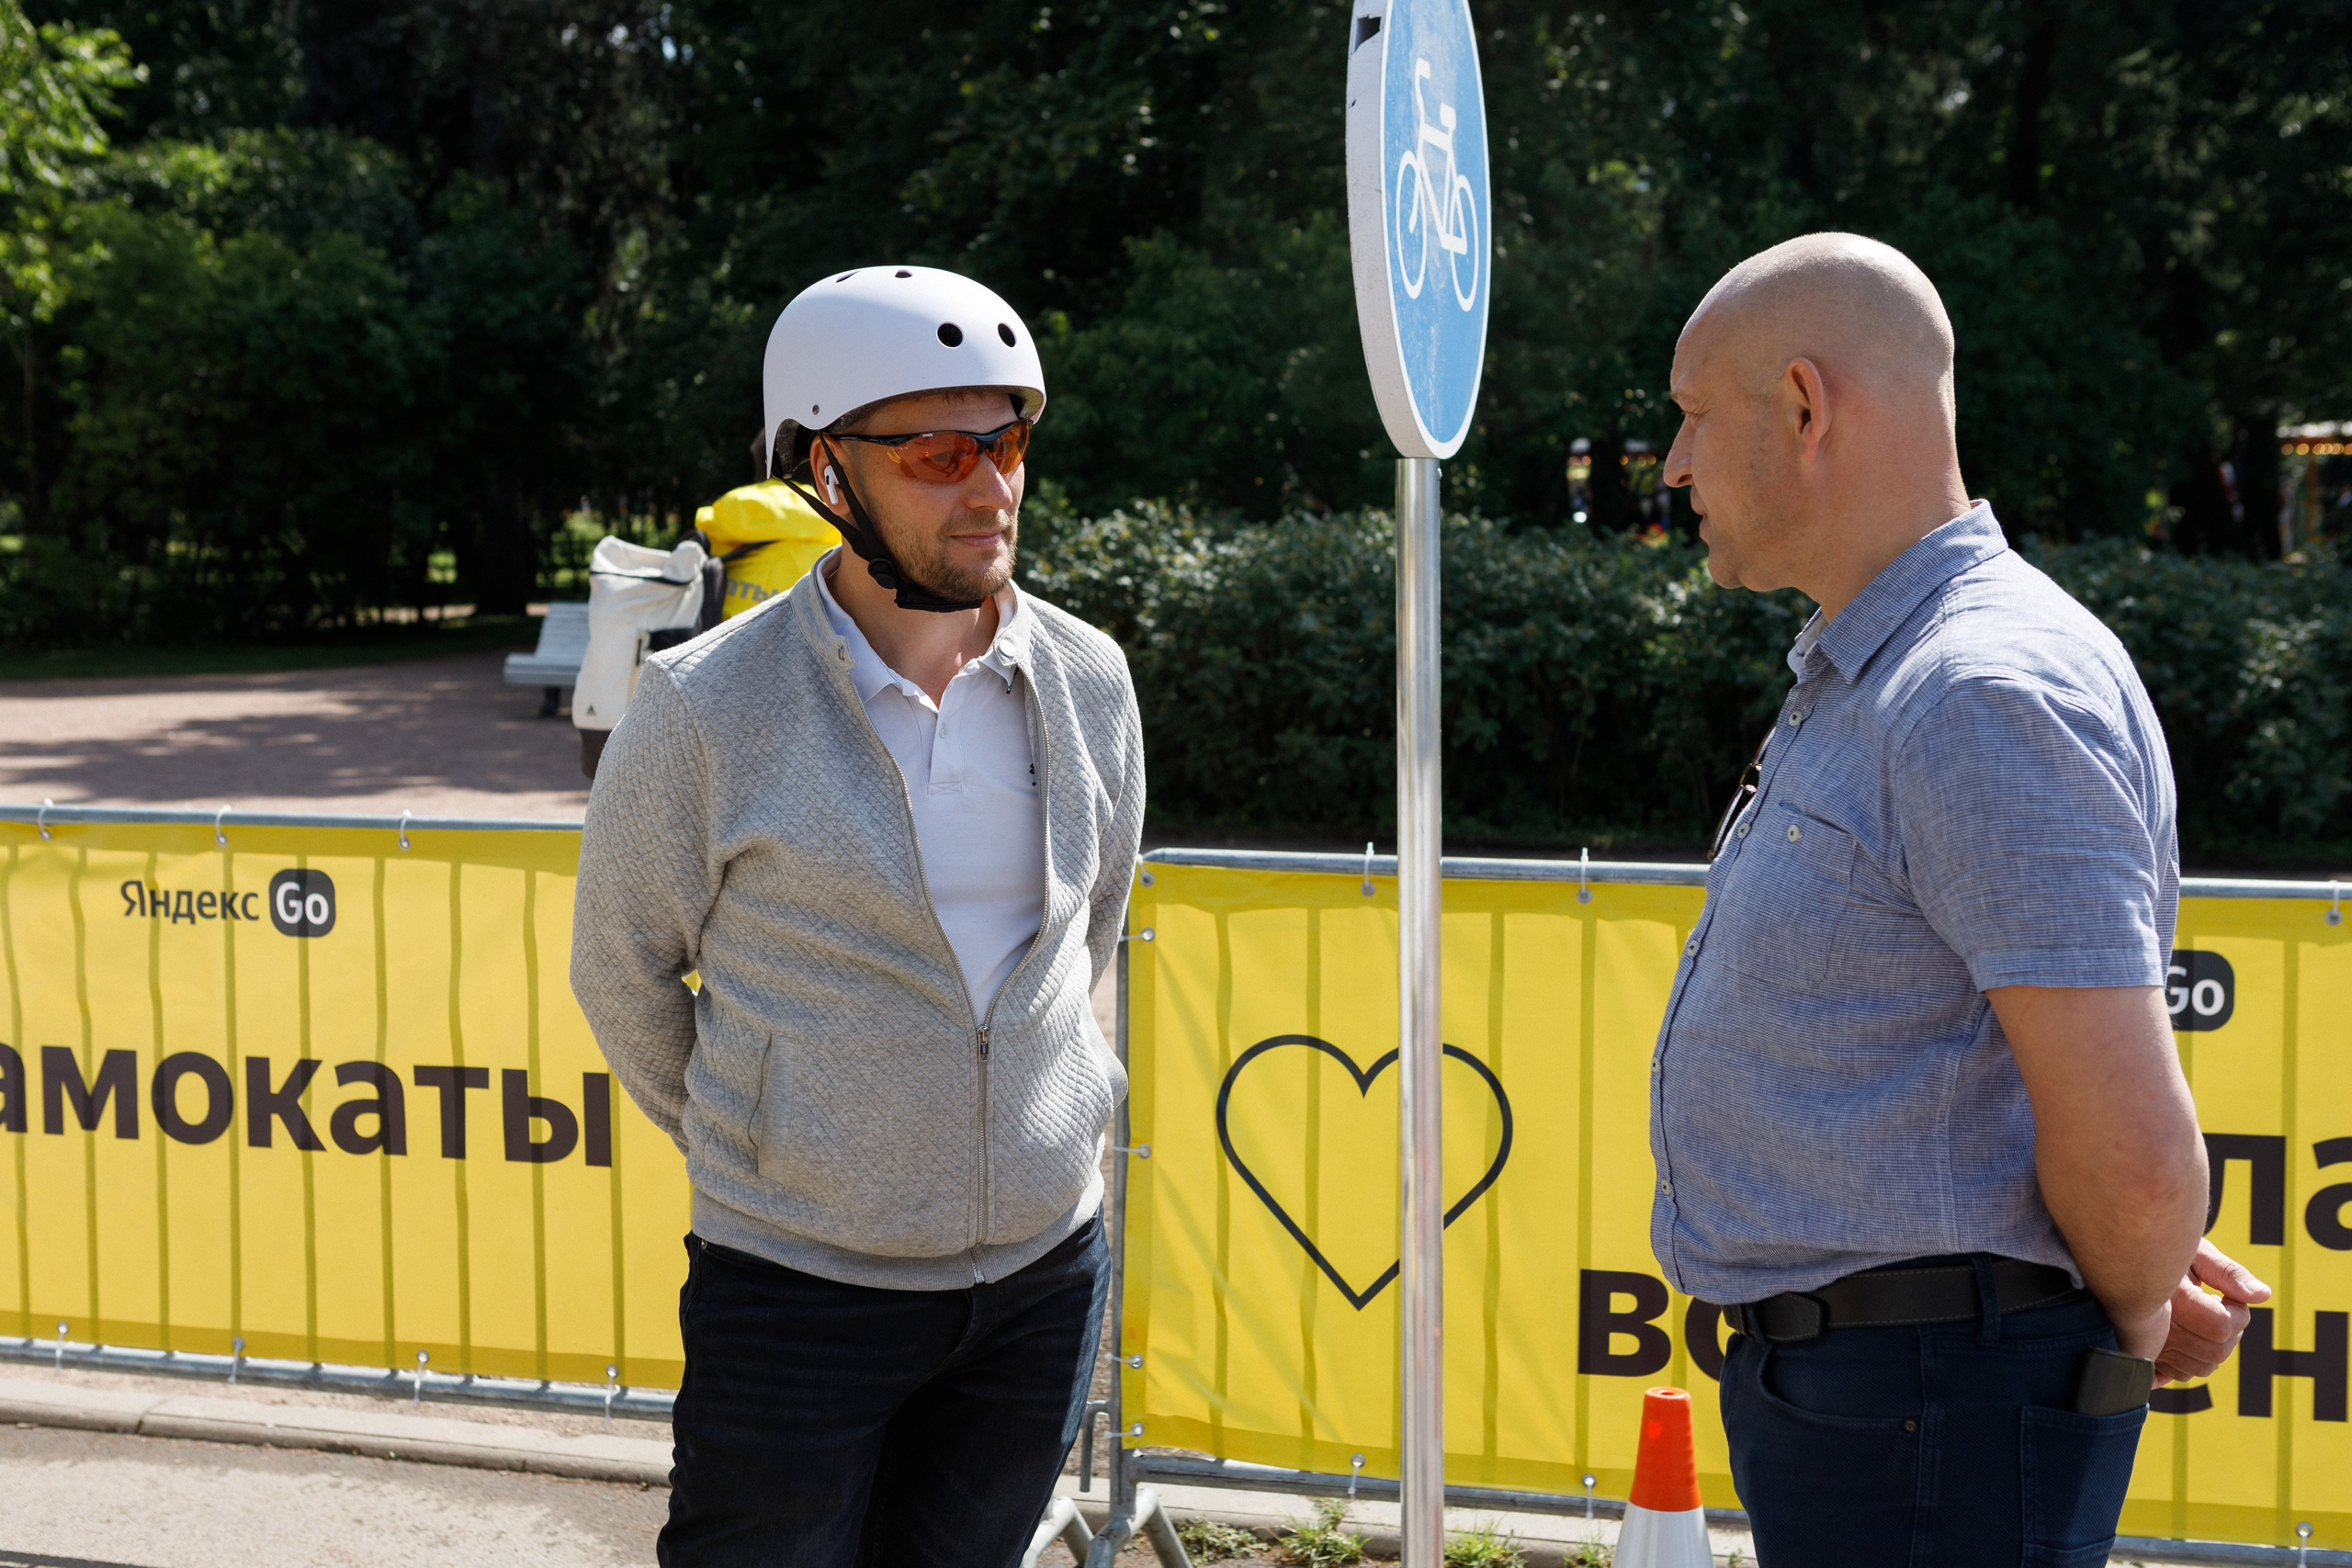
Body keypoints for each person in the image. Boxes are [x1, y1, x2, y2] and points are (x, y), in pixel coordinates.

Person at [1649, 232, 2268, 1564]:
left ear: (1807, 407)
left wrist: (2136, 1306)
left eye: (1695, 415)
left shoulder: (1977, 690)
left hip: (1932, 1404)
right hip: (1903, 1396)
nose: (1676, 467)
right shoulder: (1906, 667)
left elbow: (2137, 1147)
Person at [570, 265, 1146, 1567]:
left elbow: (1089, 931)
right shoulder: (703, 710)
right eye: (941, 451)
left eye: (1006, 442)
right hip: (797, 1293)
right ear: (828, 472)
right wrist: (781, 1148)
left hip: (1042, 1282)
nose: (990, 487)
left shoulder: (1092, 682)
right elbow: (623, 974)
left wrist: (1052, 1116)